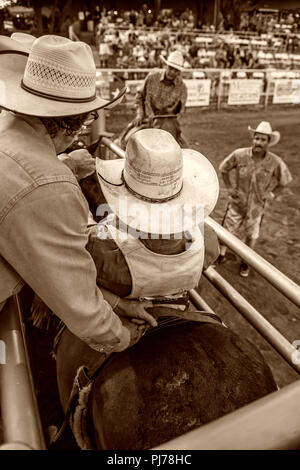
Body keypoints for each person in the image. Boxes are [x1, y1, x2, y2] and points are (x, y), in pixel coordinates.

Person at [0, 34, 156, 356]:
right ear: (76, 121)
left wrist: (115, 303)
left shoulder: (5, 130)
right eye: (88, 117)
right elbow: (79, 306)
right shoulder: (50, 188)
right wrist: (121, 336)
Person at [32, 128, 220, 325]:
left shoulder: (102, 249)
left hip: (124, 306)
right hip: (177, 302)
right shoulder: (207, 239)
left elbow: (72, 270)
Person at [218, 121, 292, 277]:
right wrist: (231, 188)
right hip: (238, 202)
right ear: (253, 139)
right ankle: (221, 254)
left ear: (268, 142)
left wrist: (271, 194)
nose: (259, 142)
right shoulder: (239, 155)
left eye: (263, 140)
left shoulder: (275, 162)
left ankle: (246, 262)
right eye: (257, 138)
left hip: (257, 206)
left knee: (252, 234)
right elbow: (223, 169)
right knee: (228, 229)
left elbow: (285, 181)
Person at [132, 50, 188, 147]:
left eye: (176, 70)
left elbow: (181, 111)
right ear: (166, 66)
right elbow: (140, 96)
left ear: (179, 72)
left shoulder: (182, 87)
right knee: (128, 142)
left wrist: (174, 121)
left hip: (169, 125)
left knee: (187, 151)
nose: (172, 72)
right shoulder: (152, 78)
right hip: (148, 121)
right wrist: (140, 114)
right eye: (170, 68)